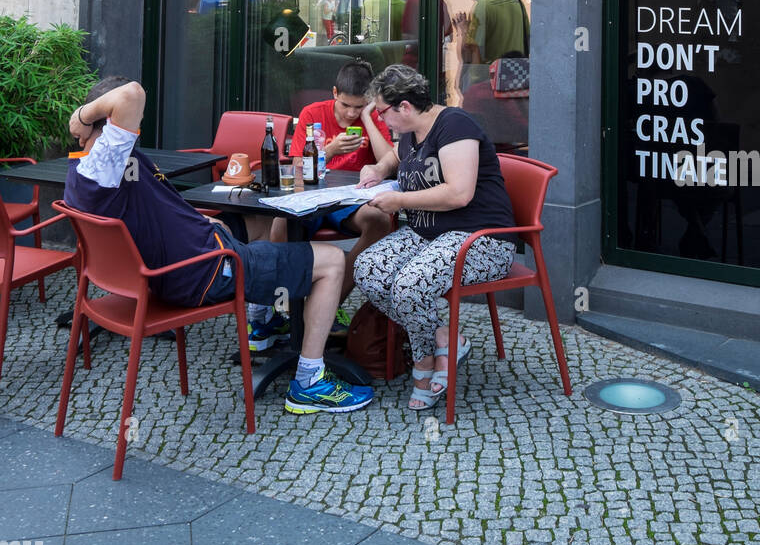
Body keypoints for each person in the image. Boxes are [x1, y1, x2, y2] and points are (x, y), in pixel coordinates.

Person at [64, 77, 373, 415]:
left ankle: (264, 320)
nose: (138, 126)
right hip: (205, 271)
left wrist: (201, 222)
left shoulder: (82, 171)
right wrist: (80, 116)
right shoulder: (104, 165)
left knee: (263, 220)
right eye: (132, 122)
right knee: (332, 260)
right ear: (109, 123)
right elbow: (132, 93)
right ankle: (309, 382)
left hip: (182, 261)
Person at [352, 64, 517, 410]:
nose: (383, 121)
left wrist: (398, 200)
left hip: (481, 239)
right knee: (368, 270)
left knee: (409, 284)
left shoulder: (454, 126)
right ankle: (445, 337)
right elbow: (396, 157)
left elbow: (459, 194)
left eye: (383, 113)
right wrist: (378, 169)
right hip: (429, 234)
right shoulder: (411, 132)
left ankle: (424, 363)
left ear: (405, 107)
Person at [249, 60, 393, 347]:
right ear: (334, 92)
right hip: (312, 193)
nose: (351, 112)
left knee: (380, 222)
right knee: (280, 224)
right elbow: (297, 166)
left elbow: (389, 160)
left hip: (351, 198)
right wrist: (329, 149)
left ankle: (327, 302)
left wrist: (367, 119)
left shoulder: (371, 118)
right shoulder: (312, 113)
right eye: (345, 105)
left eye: (359, 106)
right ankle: (280, 307)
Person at [452, 0, 529, 89]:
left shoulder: (483, 5)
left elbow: (471, 51)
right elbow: (529, 38)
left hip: (489, 80)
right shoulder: (516, 1)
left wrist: (462, 30)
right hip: (516, 76)